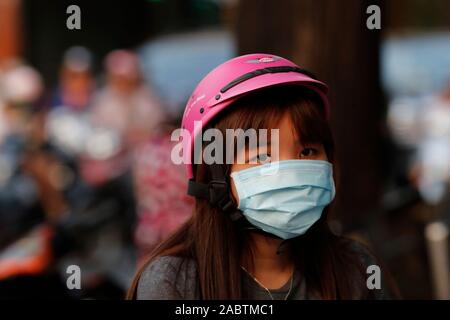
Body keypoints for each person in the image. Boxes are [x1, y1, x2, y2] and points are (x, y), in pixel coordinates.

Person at [127, 53, 397, 300]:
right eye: (262, 157)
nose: (291, 170)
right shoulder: (173, 282)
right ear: (214, 176)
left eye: (307, 151)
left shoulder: (355, 269)